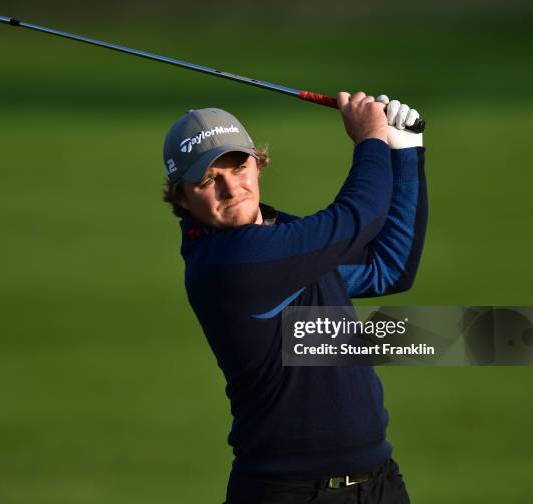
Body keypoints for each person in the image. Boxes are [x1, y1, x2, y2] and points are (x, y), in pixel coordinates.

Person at [161, 92, 427, 503]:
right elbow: (360, 214)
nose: (232, 188)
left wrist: (406, 151)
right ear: (181, 198)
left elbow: (387, 267)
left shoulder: (281, 237)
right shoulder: (230, 262)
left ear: (258, 163)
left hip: (378, 484)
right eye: (209, 180)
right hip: (288, 491)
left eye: (239, 166)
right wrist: (371, 139)